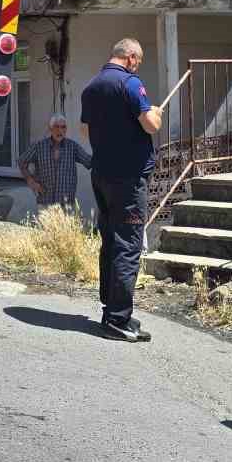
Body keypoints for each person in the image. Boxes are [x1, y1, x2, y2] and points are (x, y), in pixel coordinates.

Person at [80, 38, 162, 343]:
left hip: (101, 173)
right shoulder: (129, 84)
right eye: (137, 61)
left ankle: (111, 308)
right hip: (128, 179)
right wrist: (156, 112)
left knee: (110, 241)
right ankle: (117, 319)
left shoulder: (91, 87)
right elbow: (151, 125)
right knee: (128, 245)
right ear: (130, 57)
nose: (137, 65)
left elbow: (85, 130)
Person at [18, 114, 92, 214]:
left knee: (65, 230)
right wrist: (31, 181)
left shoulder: (72, 147)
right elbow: (22, 161)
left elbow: (89, 161)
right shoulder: (39, 146)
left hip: (66, 204)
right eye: (56, 127)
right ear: (50, 128)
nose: (60, 131)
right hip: (45, 202)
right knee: (44, 230)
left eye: (63, 127)